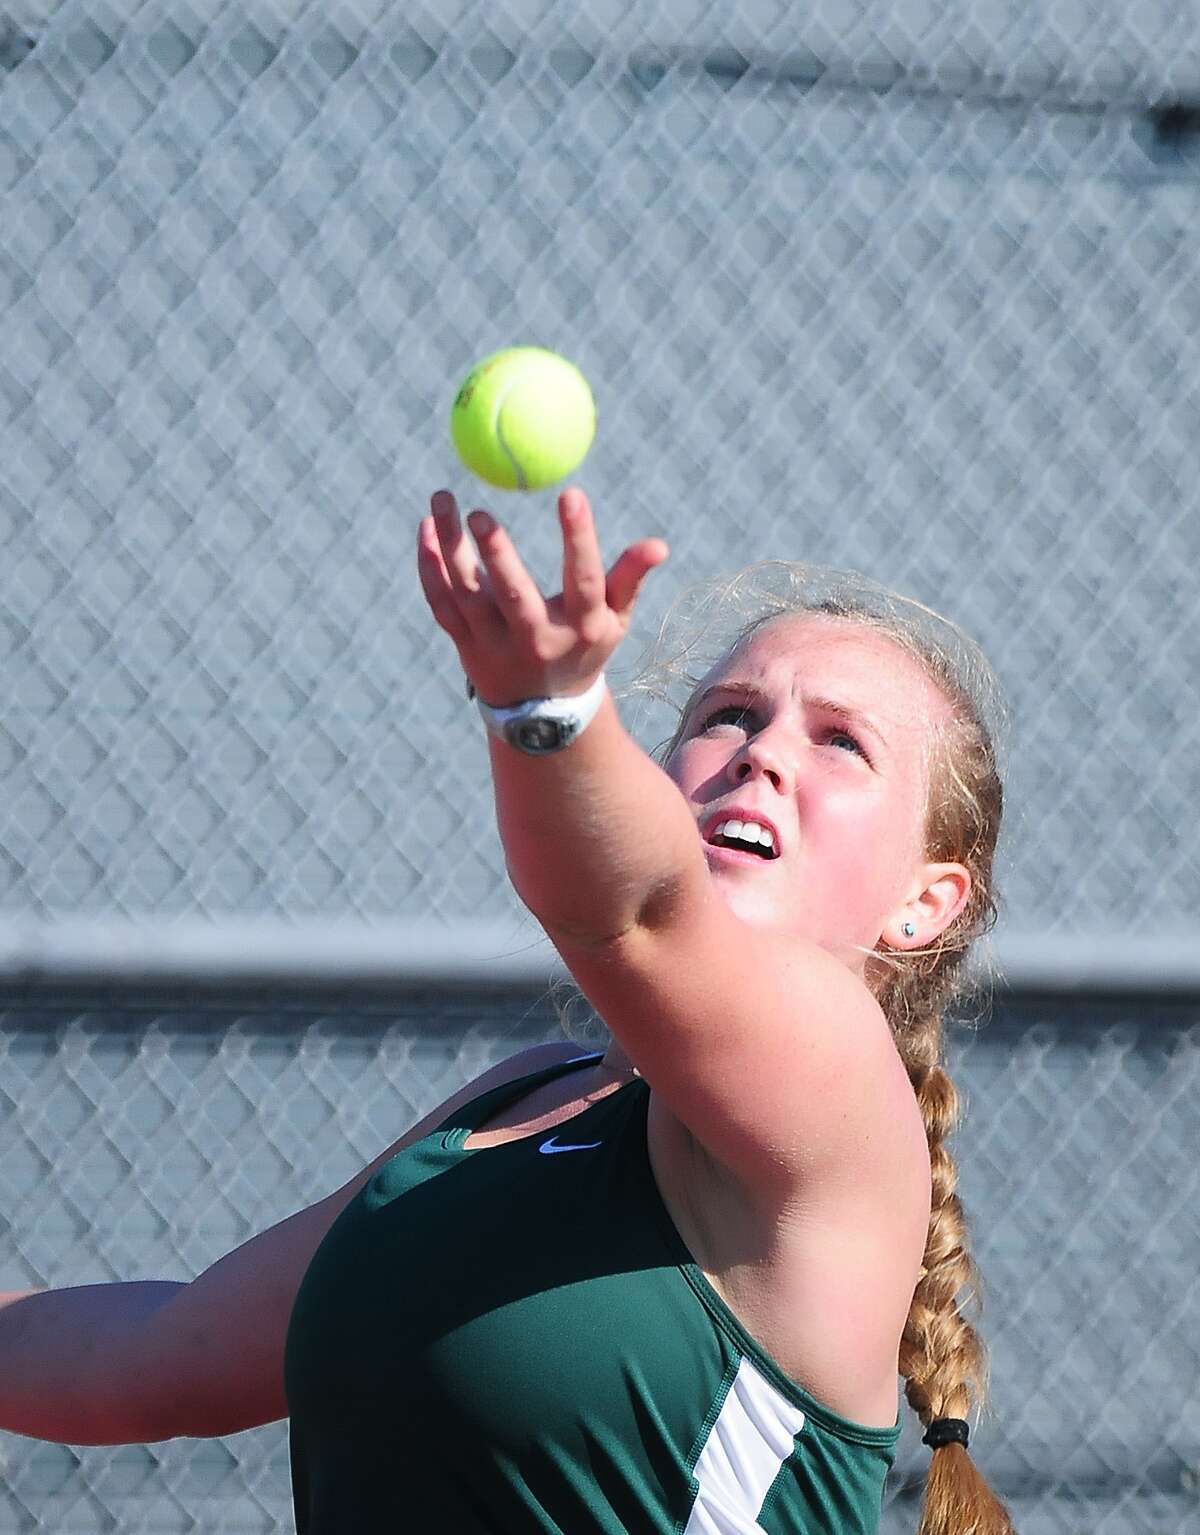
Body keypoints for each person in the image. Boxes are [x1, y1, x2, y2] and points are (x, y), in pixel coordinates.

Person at [0, 485, 1016, 1535]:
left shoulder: (843, 1093)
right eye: (728, 715)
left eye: (841, 741)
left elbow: (634, 914)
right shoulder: (524, 1100)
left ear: (925, 901)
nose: (761, 752)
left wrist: (549, 708)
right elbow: (164, 1356)